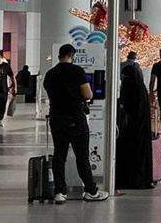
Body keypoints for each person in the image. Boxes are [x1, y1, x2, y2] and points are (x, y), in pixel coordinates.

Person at [43, 44, 109, 203]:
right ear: (72, 55)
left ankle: (60, 192)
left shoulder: (50, 74)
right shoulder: (77, 71)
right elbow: (88, 94)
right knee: (82, 156)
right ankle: (91, 191)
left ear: (59, 55)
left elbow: (50, 92)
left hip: (57, 119)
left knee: (59, 155)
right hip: (75, 118)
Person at [116, 51, 153, 189]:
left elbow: (126, 107)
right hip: (140, 132)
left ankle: (129, 179)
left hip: (130, 132)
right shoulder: (141, 89)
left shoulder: (130, 88)